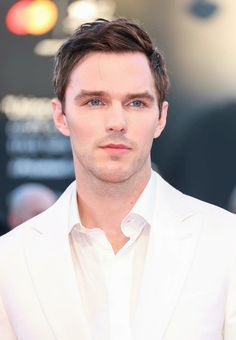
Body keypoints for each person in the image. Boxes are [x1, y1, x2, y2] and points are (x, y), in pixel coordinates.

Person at [0, 18, 236, 340]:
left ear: (160, 118)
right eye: (95, 101)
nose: (117, 122)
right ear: (60, 116)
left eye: (136, 102)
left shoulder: (226, 244)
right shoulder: (10, 260)